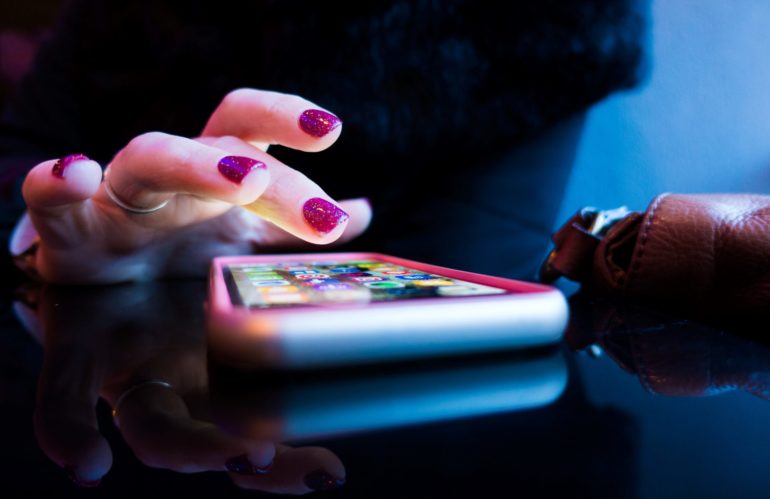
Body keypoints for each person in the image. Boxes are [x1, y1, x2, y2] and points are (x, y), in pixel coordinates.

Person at [1, 0, 646, 283]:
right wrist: (39, 247)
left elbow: (468, 276)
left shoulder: (542, 29)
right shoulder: (113, 16)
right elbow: (20, 153)